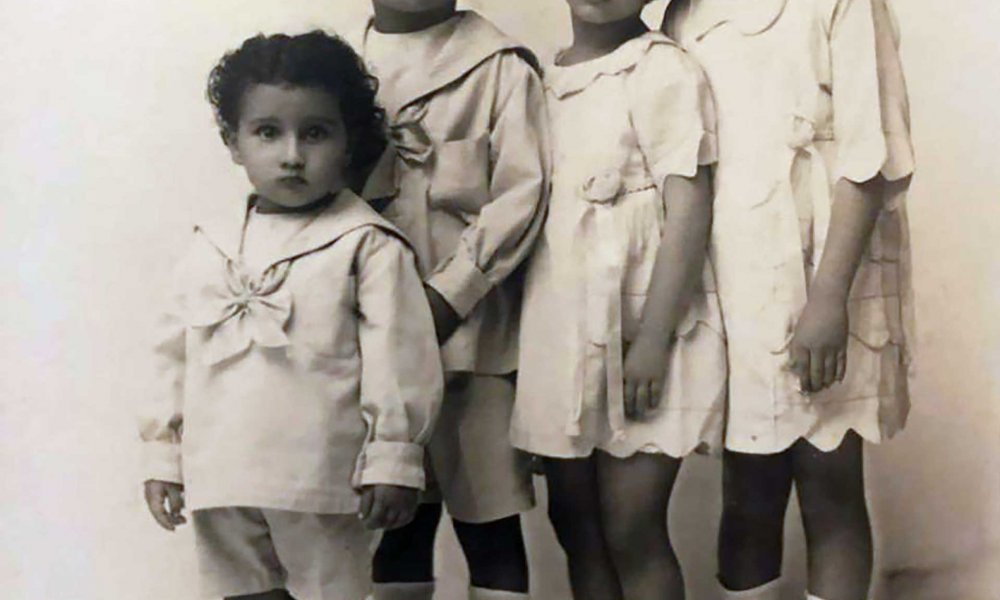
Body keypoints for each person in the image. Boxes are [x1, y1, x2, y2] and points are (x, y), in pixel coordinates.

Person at [139, 31, 443, 600]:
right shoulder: (211, 242)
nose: (292, 154)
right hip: (222, 469)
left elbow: (399, 361)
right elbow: (171, 355)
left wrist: (393, 459)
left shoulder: (366, 244)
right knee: (241, 590)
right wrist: (163, 455)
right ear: (234, 142)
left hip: (319, 475)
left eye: (316, 133)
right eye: (268, 132)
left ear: (348, 141)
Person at [662, 1, 915, 598]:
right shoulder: (689, 13)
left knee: (829, 484)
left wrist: (827, 301)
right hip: (733, 282)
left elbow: (871, 157)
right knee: (748, 490)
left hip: (829, 272)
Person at [512, 1, 727, 598]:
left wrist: (654, 341)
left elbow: (689, 208)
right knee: (576, 526)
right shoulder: (539, 78)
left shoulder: (661, 70)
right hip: (560, 324)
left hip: (642, 324)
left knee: (631, 527)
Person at [353, 2, 550, 599]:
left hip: (472, 341)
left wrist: (448, 295)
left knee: (489, 524)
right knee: (395, 520)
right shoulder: (342, 67)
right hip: (370, 346)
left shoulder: (499, 67)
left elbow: (523, 194)